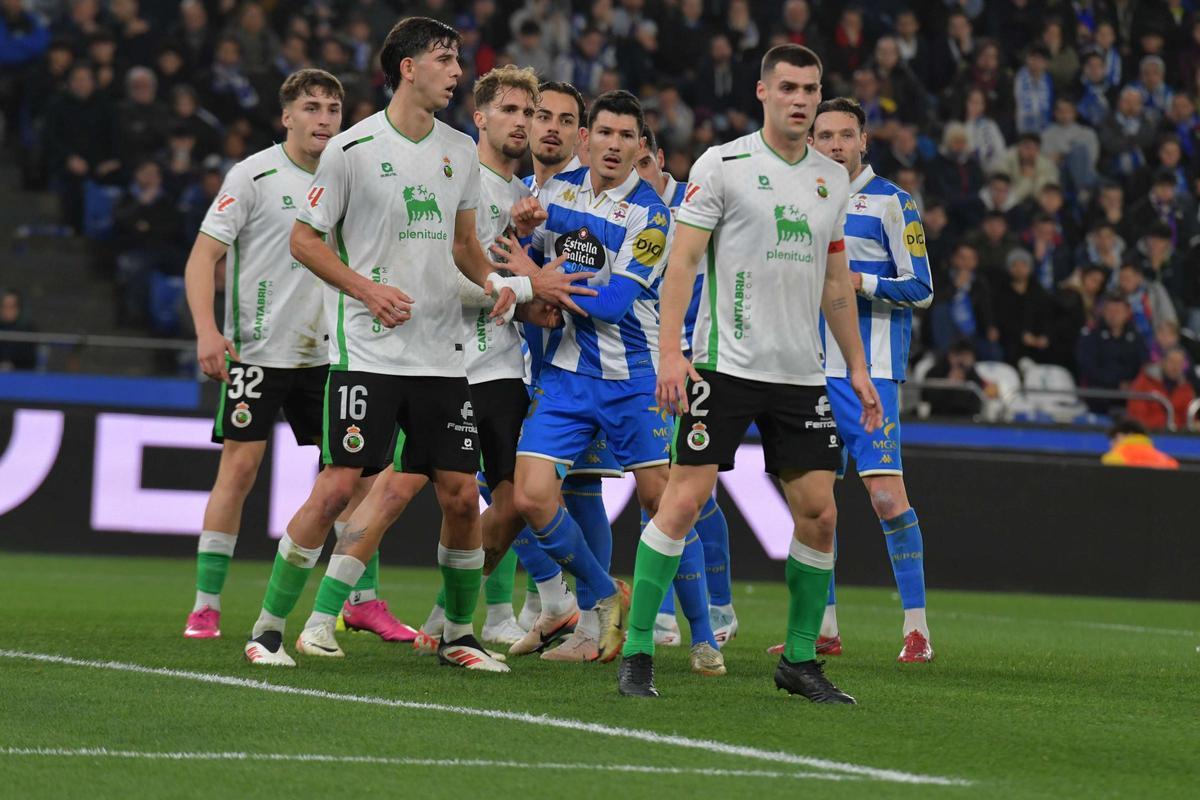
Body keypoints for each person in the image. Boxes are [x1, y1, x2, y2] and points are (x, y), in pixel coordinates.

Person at [241, 18, 581, 670]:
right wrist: (365, 291)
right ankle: (268, 629)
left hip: (442, 356)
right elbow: (304, 240)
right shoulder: (353, 149)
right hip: (368, 353)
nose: (456, 71)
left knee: (459, 494)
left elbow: (463, 247)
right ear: (407, 68)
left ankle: (458, 634)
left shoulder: (457, 150)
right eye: (445, 59)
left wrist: (500, 283)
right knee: (341, 486)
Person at [618, 44, 882, 702]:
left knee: (820, 514)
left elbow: (834, 278)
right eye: (788, 86)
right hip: (722, 367)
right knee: (681, 503)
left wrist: (857, 365)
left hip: (799, 375)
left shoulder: (832, 178)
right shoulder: (724, 165)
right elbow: (680, 264)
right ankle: (639, 651)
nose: (801, 98)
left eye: (811, 88)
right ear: (762, 92)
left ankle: (798, 662)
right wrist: (672, 353)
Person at [181, 69, 415, 643]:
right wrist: (207, 333)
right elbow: (201, 258)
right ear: (287, 117)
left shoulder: (353, 176)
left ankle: (362, 601)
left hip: (333, 354)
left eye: (333, 109)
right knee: (239, 470)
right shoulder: (253, 175)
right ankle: (206, 606)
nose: (324, 119)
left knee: (356, 478)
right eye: (311, 108)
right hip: (259, 352)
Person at [500, 89, 697, 670]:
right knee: (531, 495)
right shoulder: (556, 190)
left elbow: (613, 304)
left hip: (633, 377)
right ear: (588, 139)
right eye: (603, 133)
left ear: (641, 147)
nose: (613, 144)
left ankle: (702, 632)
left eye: (625, 136)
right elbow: (513, 249)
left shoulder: (651, 215)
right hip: (564, 374)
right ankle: (605, 595)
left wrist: (539, 278)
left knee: (665, 503)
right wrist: (523, 225)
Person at [783, 95, 935, 664]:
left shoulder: (893, 203)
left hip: (868, 372)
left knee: (887, 496)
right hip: (801, 371)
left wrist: (852, 282)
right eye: (826, 136)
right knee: (813, 503)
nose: (836, 145)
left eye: (847, 135)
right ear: (812, 140)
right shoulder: (797, 199)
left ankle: (916, 628)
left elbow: (920, 287)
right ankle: (823, 629)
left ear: (864, 141)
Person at [635, 125, 735, 657]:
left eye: (644, 164)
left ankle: (714, 609)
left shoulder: (697, 202)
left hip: (697, 362)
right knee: (662, 488)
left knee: (686, 492)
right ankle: (670, 617)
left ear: (659, 162)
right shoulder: (624, 208)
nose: (638, 176)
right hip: (642, 362)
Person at [924, 340, 997, 417]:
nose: (961, 360)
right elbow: (927, 398)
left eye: (966, 355)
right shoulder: (936, 372)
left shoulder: (973, 376)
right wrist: (948, 383)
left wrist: (962, 386)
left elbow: (976, 406)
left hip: (964, 421)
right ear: (950, 355)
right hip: (938, 418)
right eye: (957, 354)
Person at [1128, 347, 1195, 431]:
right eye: (1172, 361)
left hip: (1177, 436)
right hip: (1149, 433)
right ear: (1163, 362)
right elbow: (1137, 416)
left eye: (1179, 363)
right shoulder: (1143, 382)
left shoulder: (1186, 388)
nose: (1175, 367)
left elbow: (1189, 419)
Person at [1101, 418, 1180, 469]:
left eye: (1115, 438)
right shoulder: (1169, 462)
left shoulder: (1113, 459)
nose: (1111, 444)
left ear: (1129, 434)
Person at [0, 288, 36, 370]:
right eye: (4, 306)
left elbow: (30, 358)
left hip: (21, 375)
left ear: (18, 308)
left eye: (11, 306)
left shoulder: (28, 329)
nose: (7, 310)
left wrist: (12, 365)